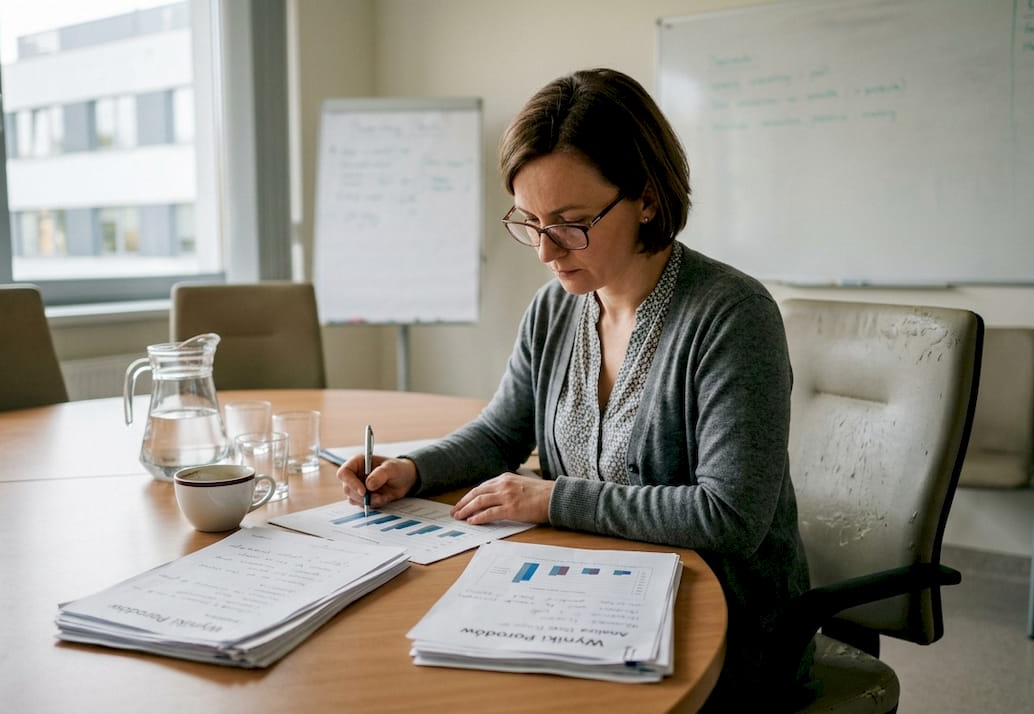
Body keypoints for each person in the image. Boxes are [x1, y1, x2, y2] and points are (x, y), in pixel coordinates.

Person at [337, 67, 811, 708]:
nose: (544, 250)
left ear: (645, 197)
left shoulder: (733, 316)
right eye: (529, 222)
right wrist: (413, 469)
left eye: (569, 222)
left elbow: (728, 519)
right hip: (585, 600)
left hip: (725, 634)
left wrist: (550, 499)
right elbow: (502, 432)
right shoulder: (555, 308)